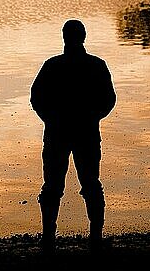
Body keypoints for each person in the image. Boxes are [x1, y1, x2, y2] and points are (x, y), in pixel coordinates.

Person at [30, 19, 117, 253]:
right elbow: (109, 99)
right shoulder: (96, 65)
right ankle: (95, 238)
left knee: (53, 185)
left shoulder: (52, 66)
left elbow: (36, 98)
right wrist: (93, 117)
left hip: (58, 133)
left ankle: (48, 238)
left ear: (64, 37)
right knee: (90, 183)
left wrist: (50, 119)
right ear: (84, 37)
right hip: (85, 133)